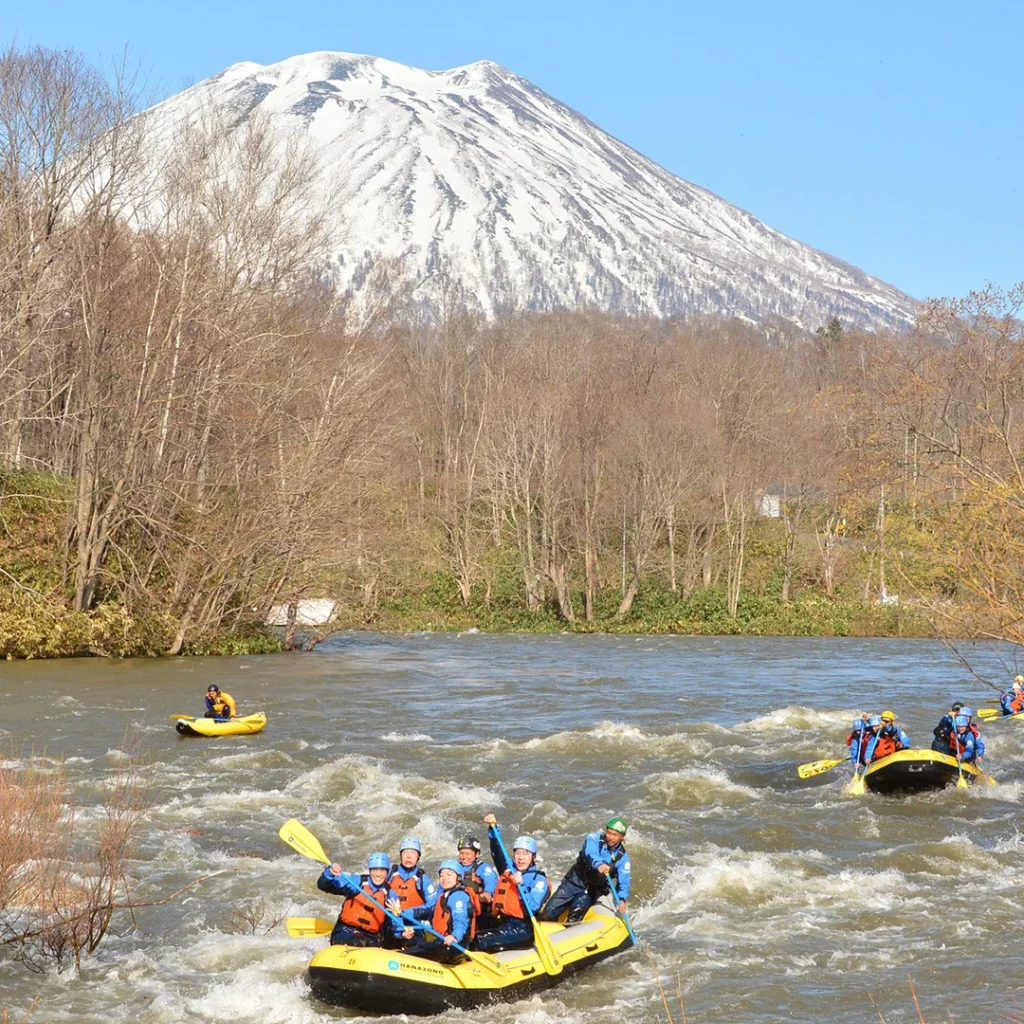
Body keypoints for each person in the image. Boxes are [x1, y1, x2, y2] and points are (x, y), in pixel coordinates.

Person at [475, 814, 550, 952]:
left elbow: (533, 907)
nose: (520, 858)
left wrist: (521, 885)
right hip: (502, 921)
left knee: (480, 940)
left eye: (525, 853)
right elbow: (498, 852)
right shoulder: (509, 869)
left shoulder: (538, 880)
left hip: (522, 928)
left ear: (533, 857)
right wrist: (493, 829)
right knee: (473, 923)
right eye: (517, 853)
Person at [537, 817, 631, 924]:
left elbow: (624, 881)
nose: (611, 837)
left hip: (593, 890)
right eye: (609, 833)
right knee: (547, 914)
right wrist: (599, 864)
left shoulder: (623, 858)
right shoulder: (594, 838)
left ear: (622, 837)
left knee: (574, 920)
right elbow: (590, 853)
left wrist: (622, 899)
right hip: (574, 881)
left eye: (615, 835)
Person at [391, 859, 476, 964]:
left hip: (455, 945)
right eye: (442, 875)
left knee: (412, 954)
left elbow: (460, 921)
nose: (444, 878)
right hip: (443, 941)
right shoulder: (445, 895)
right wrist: (402, 913)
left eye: (449, 875)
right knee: (418, 946)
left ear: (458, 877)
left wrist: (455, 936)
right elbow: (429, 912)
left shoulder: (458, 897)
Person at [317, 852, 398, 947]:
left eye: (382, 870)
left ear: (387, 872)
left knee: (368, 943)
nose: (378, 874)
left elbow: (395, 924)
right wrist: (329, 873)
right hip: (345, 930)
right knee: (357, 941)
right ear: (370, 870)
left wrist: (403, 932)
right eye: (375, 870)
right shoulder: (357, 882)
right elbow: (323, 885)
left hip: (371, 937)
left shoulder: (390, 895)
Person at [455, 834, 498, 927]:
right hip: (458, 907)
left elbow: (490, 881)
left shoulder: (483, 868)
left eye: (467, 854)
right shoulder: (454, 867)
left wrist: (487, 893)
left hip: (478, 910)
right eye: (461, 853)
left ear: (477, 854)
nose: (464, 857)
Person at [387, 836, 436, 912]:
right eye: (405, 852)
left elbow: (432, 904)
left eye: (413, 853)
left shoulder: (423, 879)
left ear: (418, 857)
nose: (408, 856)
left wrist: (408, 913)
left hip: (412, 918)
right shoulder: (390, 873)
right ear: (401, 855)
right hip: (389, 916)